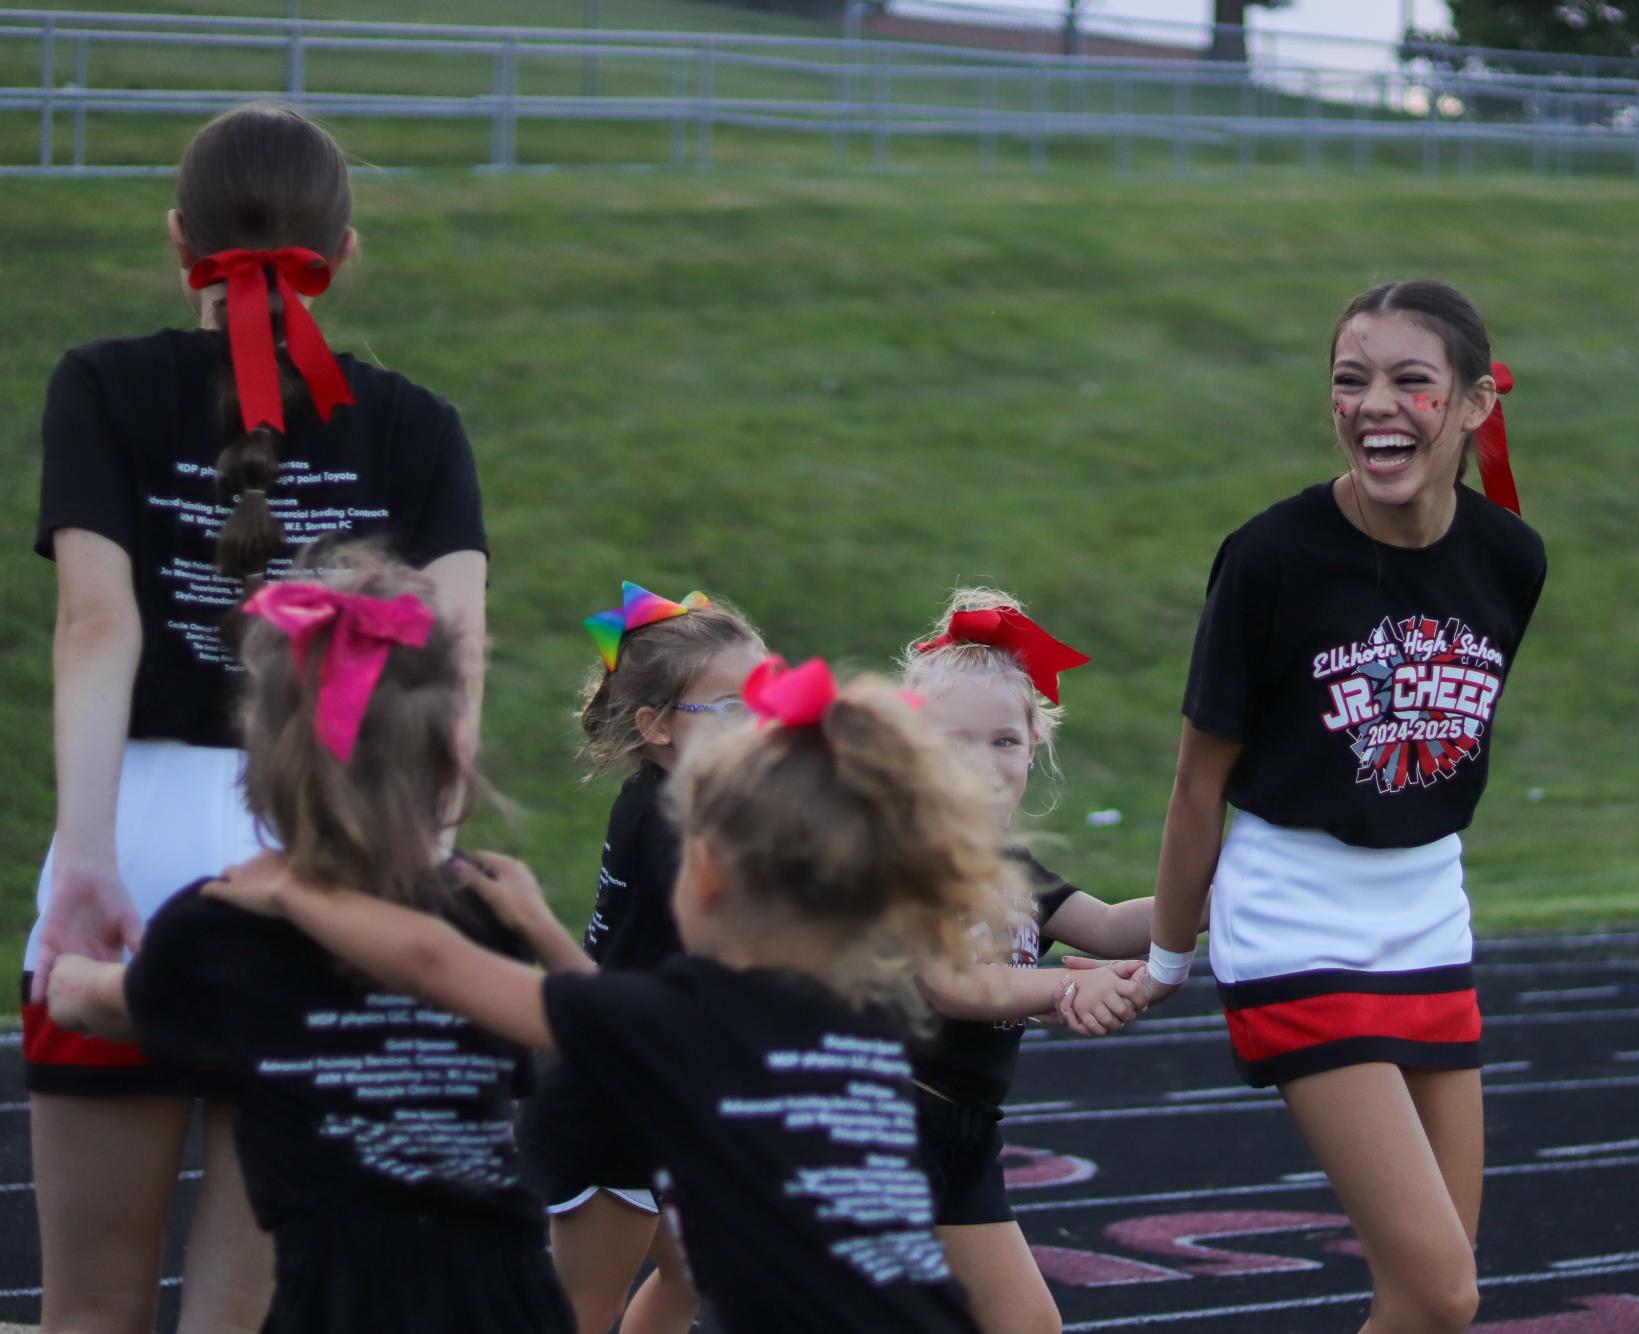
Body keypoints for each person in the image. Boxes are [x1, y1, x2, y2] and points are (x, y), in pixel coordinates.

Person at [27, 103, 487, 1333]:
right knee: (246, 1318)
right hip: (334, 860)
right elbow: (451, 667)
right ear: (346, 254)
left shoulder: (100, 385)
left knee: (87, 1311)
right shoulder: (420, 425)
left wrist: (87, 852)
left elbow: (93, 627)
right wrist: (423, 871)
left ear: (179, 241)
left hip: (129, 837)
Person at [202, 656, 1025, 1333]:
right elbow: (599, 1011)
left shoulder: (691, 1020)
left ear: (700, 877)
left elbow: (431, 960)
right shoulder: (867, 1013)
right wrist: (538, 923)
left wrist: (295, 892)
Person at [1144, 280, 1547, 1333]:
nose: (1376, 403)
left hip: (1428, 912)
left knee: (1435, 1300)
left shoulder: (1511, 557)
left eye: (1412, 380)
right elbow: (1198, 782)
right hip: (1295, 916)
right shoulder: (1271, 559)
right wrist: (1166, 953)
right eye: (1350, 379)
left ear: (1470, 406)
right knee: (1443, 1285)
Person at [47, 546, 568, 1334]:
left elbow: (95, 1003)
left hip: (335, 1306)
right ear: (451, 753)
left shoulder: (220, 928)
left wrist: (68, 971)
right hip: (509, 1302)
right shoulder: (492, 913)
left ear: (261, 758)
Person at [899, 589, 1158, 1334]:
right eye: (953, 743)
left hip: (964, 1135)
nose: (983, 765)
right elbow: (950, 981)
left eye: (1003, 742)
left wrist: (1228, 895)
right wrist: (1059, 990)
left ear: (1033, 745)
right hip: (879, 1126)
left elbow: (1110, 928)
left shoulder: (1012, 868)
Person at [516, 581, 765, 1334]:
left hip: (658, 1080)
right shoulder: (670, 819)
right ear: (656, 727)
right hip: (614, 1098)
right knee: (586, 1309)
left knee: (699, 1273)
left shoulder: (682, 801)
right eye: (729, 709)